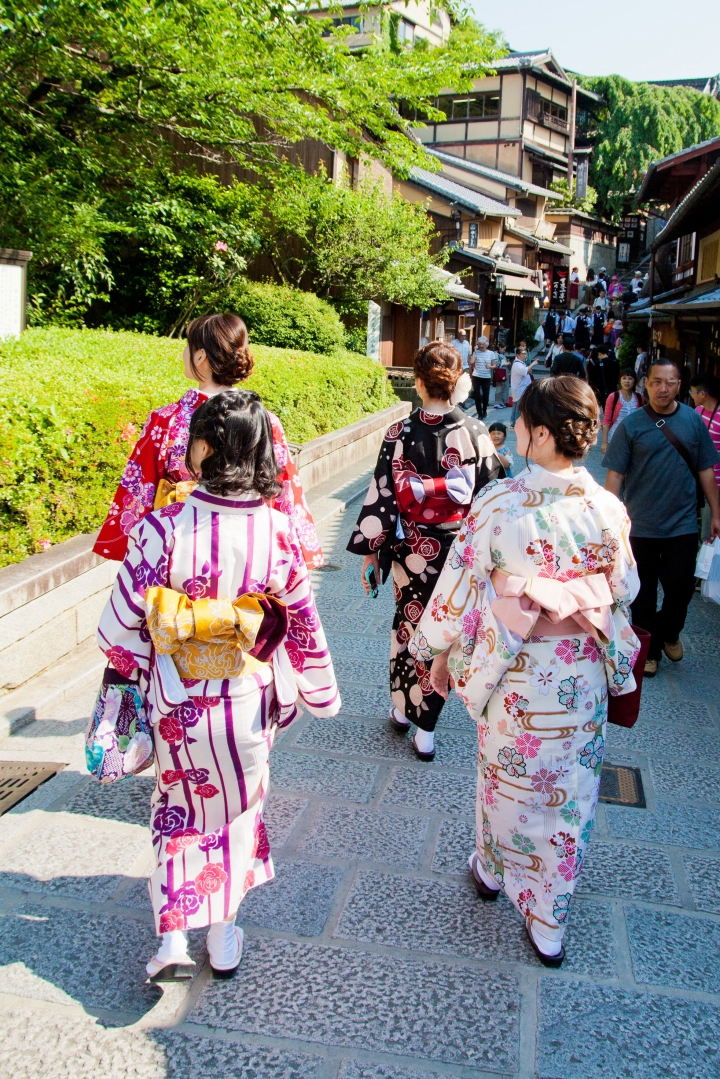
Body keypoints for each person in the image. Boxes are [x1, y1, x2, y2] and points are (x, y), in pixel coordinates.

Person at [97, 390, 340, 981]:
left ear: (202, 448)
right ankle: (225, 930)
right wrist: (319, 691)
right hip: (247, 701)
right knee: (239, 810)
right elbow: (301, 621)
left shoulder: (162, 529)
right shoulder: (279, 532)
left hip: (177, 703)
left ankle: (173, 941)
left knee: (177, 809)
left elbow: (118, 623)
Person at [410, 376, 641, 966]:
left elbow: (460, 584)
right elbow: (625, 592)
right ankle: (549, 920)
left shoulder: (499, 503)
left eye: (521, 422)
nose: (512, 428)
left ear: (541, 434)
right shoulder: (608, 509)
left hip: (513, 669)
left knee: (503, 775)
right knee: (571, 791)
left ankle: (491, 868)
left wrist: (437, 651)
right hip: (580, 673)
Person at [347, 342, 503, 761]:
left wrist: (371, 552)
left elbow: (382, 495)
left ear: (418, 383)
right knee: (445, 634)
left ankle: (402, 708)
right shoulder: (475, 434)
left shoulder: (398, 433)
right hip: (457, 552)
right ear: (458, 384)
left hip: (410, 550)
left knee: (407, 625)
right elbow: (491, 499)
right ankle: (426, 729)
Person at [93, 313, 322, 570]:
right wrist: (295, 549)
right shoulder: (266, 420)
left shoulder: (166, 420)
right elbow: (282, 487)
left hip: (180, 544)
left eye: (187, 347)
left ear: (200, 356)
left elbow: (140, 489)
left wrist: (134, 547)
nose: (184, 354)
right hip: (248, 546)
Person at [603, 358, 720, 677]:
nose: (662, 388)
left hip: (682, 525)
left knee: (680, 590)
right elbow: (615, 475)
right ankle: (651, 650)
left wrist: (716, 513)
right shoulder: (632, 425)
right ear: (646, 384)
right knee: (642, 594)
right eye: (656, 382)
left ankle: (670, 631)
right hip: (639, 525)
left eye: (670, 382)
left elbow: (706, 468)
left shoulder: (693, 422)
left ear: (679, 386)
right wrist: (605, 518)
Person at [690, 372, 720, 541]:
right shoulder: (697, 412)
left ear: (703, 393)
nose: (691, 395)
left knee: (709, 534)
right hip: (695, 482)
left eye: (692, 391)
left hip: (716, 483)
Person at [601, 369, 643, 451]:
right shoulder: (613, 396)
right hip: (614, 437)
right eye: (624, 378)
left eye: (630, 378)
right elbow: (606, 421)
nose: (627, 381)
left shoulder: (639, 398)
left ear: (635, 381)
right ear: (620, 380)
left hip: (633, 439)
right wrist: (604, 442)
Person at [510, 345, 538, 427]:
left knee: (516, 406)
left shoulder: (520, 363)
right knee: (519, 407)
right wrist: (533, 364)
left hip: (520, 388)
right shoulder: (517, 364)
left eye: (525, 354)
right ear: (518, 355)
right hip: (520, 389)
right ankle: (516, 423)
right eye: (523, 354)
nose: (525, 356)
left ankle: (513, 422)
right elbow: (524, 371)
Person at [470, 335, 496, 420]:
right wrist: (474, 351)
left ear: (486, 344)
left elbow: (494, 365)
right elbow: (472, 361)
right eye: (479, 344)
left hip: (486, 377)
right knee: (477, 396)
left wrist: (490, 367)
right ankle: (479, 414)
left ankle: (484, 411)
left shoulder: (491, 353)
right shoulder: (476, 352)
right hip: (476, 376)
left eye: (482, 344)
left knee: (486, 396)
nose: (481, 346)